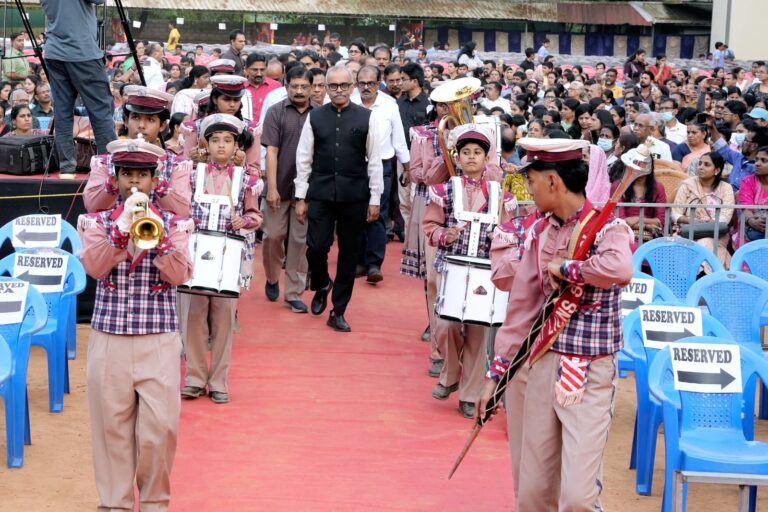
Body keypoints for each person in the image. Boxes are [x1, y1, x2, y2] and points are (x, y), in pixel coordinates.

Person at [479, 137, 633, 510]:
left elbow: (619, 269)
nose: (529, 191)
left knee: (578, 496)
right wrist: (496, 376)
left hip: (588, 371)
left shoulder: (607, 227)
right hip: (540, 365)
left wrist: (567, 268)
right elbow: (522, 309)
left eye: (531, 181)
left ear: (553, 181)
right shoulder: (539, 232)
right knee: (532, 490)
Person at [77, 138, 193, 512]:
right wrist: (121, 229)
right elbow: (94, 267)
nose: (134, 183)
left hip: (158, 338)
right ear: (115, 179)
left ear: (154, 181)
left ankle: (155, 503)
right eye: (127, 174)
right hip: (109, 338)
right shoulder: (97, 222)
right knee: (110, 430)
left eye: (142, 175)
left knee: (160, 431)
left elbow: (180, 275)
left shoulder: (175, 223)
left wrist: (158, 239)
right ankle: (115, 504)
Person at [424, 127, 514, 419]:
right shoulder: (445, 191)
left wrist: (499, 238)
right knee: (446, 325)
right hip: (451, 267)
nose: (471, 157)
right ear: (457, 157)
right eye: (466, 152)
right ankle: (450, 373)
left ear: (487, 158)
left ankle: (469, 394)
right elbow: (430, 226)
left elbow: (509, 232)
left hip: (484, 272)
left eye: (477, 153)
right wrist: (445, 235)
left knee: (477, 331)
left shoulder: (500, 195)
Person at [294, 65, 384, 332]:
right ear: (325, 88)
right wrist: (300, 196)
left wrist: (375, 198)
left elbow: (375, 161)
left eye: (344, 85)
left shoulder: (367, 117)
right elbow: (304, 158)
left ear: (352, 86)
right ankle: (322, 283)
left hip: (355, 195)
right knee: (316, 246)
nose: (338, 91)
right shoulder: (315, 117)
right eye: (333, 86)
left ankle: (338, 310)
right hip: (320, 192)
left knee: (348, 254)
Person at [180, 114, 262, 403]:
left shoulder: (246, 180)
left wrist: (245, 221)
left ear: (237, 146)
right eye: (215, 140)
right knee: (193, 316)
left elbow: (255, 215)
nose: (221, 146)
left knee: (224, 319)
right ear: (206, 144)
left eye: (228, 141)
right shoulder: (192, 175)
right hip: (197, 254)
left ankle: (218, 382)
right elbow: (180, 209)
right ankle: (194, 378)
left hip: (228, 258)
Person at [84, 85, 192, 217]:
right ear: (125, 121)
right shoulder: (103, 162)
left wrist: (158, 183)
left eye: (150, 120)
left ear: (162, 125)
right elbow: (92, 207)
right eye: (135, 118)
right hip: (113, 228)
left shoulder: (177, 165)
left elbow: (183, 212)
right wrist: (113, 181)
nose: (141, 125)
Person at [39, 0, 116, 174]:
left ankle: (66, 168)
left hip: (54, 53)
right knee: (101, 110)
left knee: (62, 112)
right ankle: (107, 167)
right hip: (83, 53)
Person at [261, 66, 315, 312]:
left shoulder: (320, 114)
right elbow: (271, 151)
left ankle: (294, 293)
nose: (299, 91)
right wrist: (272, 188)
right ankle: (272, 277)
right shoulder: (276, 111)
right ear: (286, 87)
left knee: (299, 241)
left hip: (308, 189)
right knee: (273, 235)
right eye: (295, 86)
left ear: (312, 88)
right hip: (279, 185)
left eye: (304, 86)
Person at [352, 65, 410, 284]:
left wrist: (407, 167)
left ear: (379, 84)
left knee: (378, 212)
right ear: (357, 83)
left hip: (383, 165)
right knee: (355, 213)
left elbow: (399, 140)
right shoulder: (350, 102)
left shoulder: (389, 106)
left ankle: (374, 264)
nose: (366, 87)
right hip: (354, 166)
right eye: (362, 83)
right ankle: (358, 260)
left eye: (371, 83)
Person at [673, 151, 734, 268]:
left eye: (706, 165)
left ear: (717, 170)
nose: (701, 167)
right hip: (688, 230)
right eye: (700, 163)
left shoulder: (726, 188)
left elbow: (725, 217)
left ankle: (699, 274)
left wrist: (707, 224)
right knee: (679, 243)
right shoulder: (687, 185)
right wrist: (690, 220)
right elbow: (675, 213)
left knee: (705, 242)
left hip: (715, 234)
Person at [739, 145, 768, 243]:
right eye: (757, 160)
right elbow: (746, 209)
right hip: (753, 226)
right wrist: (752, 222)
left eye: (763, 160)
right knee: (755, 235)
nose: (757, 164)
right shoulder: (748, 181)